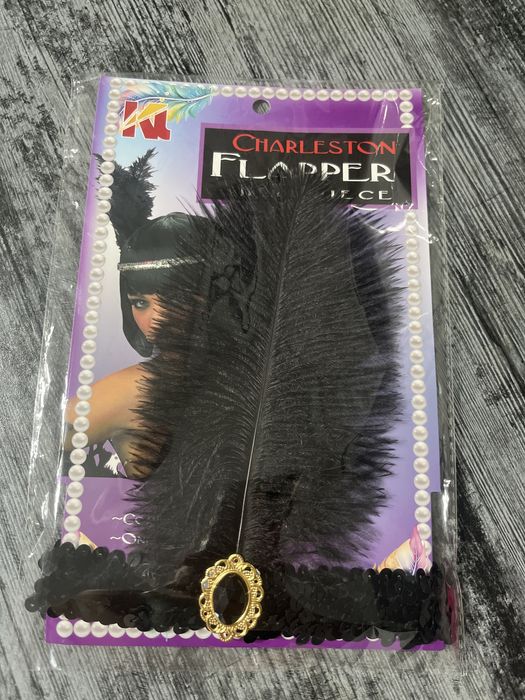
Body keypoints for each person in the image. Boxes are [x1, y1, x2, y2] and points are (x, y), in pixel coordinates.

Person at [64, 150, 209, 479]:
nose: (156, 318)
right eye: (140, 302)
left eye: (175, 297)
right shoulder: (136, 389)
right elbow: (37, 448)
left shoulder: (251, 381)